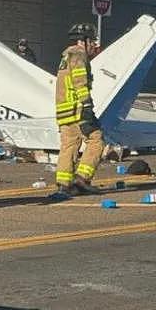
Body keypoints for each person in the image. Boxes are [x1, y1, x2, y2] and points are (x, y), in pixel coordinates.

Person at [53, 23, 104, 197]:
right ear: (84, 40)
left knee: (69, 146)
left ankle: (64, 184)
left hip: (64, 111)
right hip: (78, 109)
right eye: (92, 41)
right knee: (96, 140)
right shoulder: (79, 55)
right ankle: (83, 179)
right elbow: (80, 82)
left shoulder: (66, 56)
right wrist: (87, 106)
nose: (93, 45)